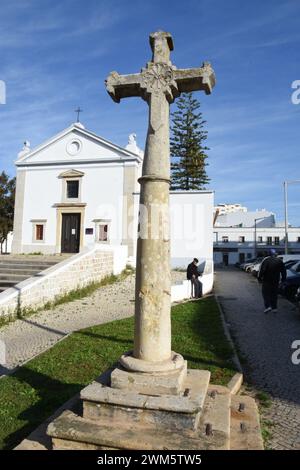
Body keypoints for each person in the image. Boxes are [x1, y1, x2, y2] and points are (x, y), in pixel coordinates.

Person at [258, 249, 286, 313]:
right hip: (276, 280)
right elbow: (283, 271)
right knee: (274, 294)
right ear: (275, 254)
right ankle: (274, 308)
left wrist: (259, 278)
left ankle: (268, 307)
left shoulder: (266, 260)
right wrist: (283, 280)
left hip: (267, 280)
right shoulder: (279, 261)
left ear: (269, 254)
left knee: (265, 294)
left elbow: (262, 270)